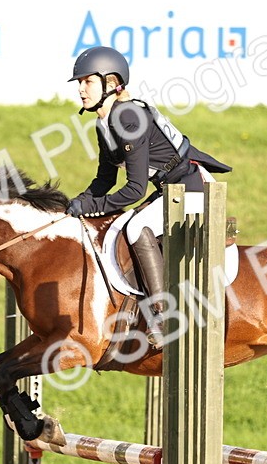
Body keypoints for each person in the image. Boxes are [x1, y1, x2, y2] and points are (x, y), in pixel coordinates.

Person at [64, 46, 231, 348]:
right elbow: (104, 180)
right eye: (80, 83)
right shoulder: (104, 123)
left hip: (193, 186)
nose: (80, 89)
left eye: (87, 82)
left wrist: (92, 206)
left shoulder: (128, 118)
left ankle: (162, 317)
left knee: (135, 228)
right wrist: (77, 204)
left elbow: (134, 190)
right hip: (171, 189)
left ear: (111, 83)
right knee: (121, 224)